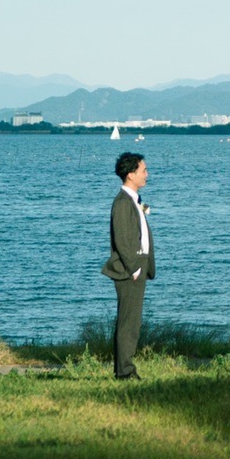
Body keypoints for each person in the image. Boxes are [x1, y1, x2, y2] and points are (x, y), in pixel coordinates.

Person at [101, 152, 153, 378]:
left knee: (132, 320)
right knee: (128, 322)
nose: (147, 174)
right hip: (129, 270)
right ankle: (125, 371)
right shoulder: (123, 203)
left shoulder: (133, 200)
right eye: (143, 170)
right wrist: (134, 268)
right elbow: (122, 240)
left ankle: (123, 368)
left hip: (137, 266)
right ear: (131, 174)